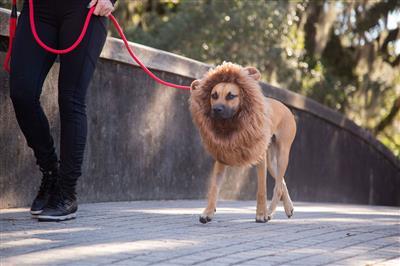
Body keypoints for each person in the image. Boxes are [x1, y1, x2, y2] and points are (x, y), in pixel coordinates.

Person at [9, 0, 116, 221]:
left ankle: (66, 193)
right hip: (38, 10)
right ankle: (50, 173)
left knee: (71, 99)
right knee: (22, 93)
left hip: (84, 9)